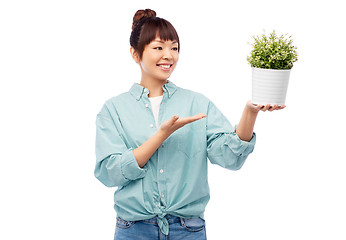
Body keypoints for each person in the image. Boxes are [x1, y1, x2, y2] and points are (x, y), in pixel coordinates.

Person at [95, 9, 285, 240]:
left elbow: (229, 157)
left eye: (174, 48)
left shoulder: (196, 103)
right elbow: (110, 172)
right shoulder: (114, 109)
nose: (169, 56)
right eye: (158, 48)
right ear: (136, 54)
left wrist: (250, 111)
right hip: (134, 229)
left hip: (187, 230)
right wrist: (161, 135)